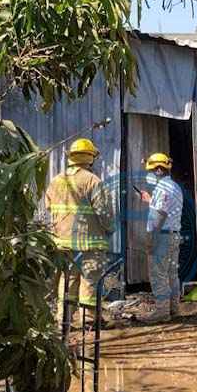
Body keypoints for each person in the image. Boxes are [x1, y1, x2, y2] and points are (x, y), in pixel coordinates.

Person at [45, 138, 114, 323]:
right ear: (90, 158)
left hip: (62, 244)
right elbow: (105, 213)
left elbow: (49, 208)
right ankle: (89, 319)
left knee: (67, 281)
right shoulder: (92, 181)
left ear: (71, 157)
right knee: (90, 281)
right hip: (90, 244)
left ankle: (63, 320)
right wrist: (109, 229)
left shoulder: (56, 181)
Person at [140, 152, 183, 323]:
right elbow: (166, 209)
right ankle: (174, 309)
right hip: (173, 235)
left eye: (150, 171)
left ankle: (162, 312)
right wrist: (150, 201)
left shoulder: (161, 188)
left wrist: (151, 238)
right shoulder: (174, 187)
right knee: (171, 274)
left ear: (158, 170)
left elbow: (158, 217)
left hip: (162, 236)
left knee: (158, 274)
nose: (148, 175)